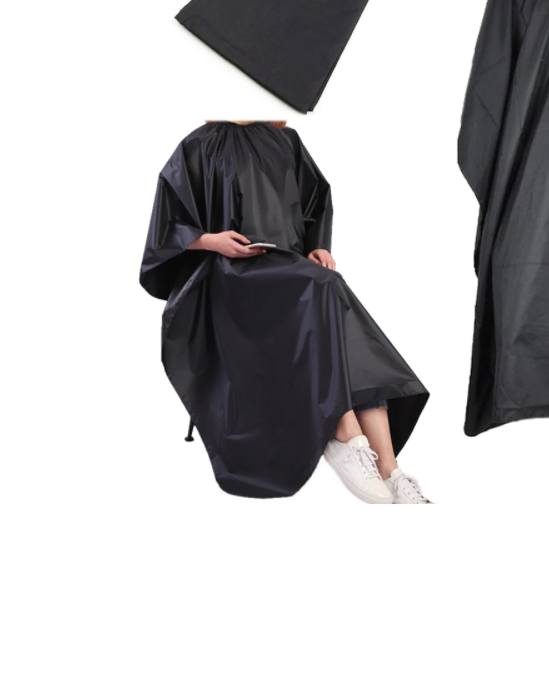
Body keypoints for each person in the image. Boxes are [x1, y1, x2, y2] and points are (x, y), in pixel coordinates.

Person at [140, 120, 430, 503]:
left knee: (338, 313)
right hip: (228, 275)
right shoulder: (200, 143)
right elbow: (165, 225)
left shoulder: (285, 140)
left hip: (292, 268)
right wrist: (212, 240)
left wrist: (317, 246)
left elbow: (314, 201)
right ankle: (344, 431)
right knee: (326, 289)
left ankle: (390, 471)